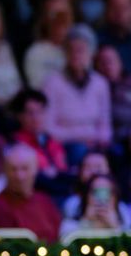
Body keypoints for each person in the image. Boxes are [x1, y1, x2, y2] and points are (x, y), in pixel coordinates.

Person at [42, 25, 112, 164]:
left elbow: (105, 124)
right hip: (66, 145)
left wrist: (100, 139)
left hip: (96, 143)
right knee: (80, 152)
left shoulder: (100, 83)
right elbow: (48, 128)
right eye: (71, 50)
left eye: (80, 50)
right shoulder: (52, 83)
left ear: (91, 53)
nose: (75, 55)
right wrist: (85, 136)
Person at [0, 144, 62, 242]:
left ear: (35, 169)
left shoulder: (45, 201)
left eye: (25, 168)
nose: (19, 176)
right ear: (5, 171)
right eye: (13, 169)